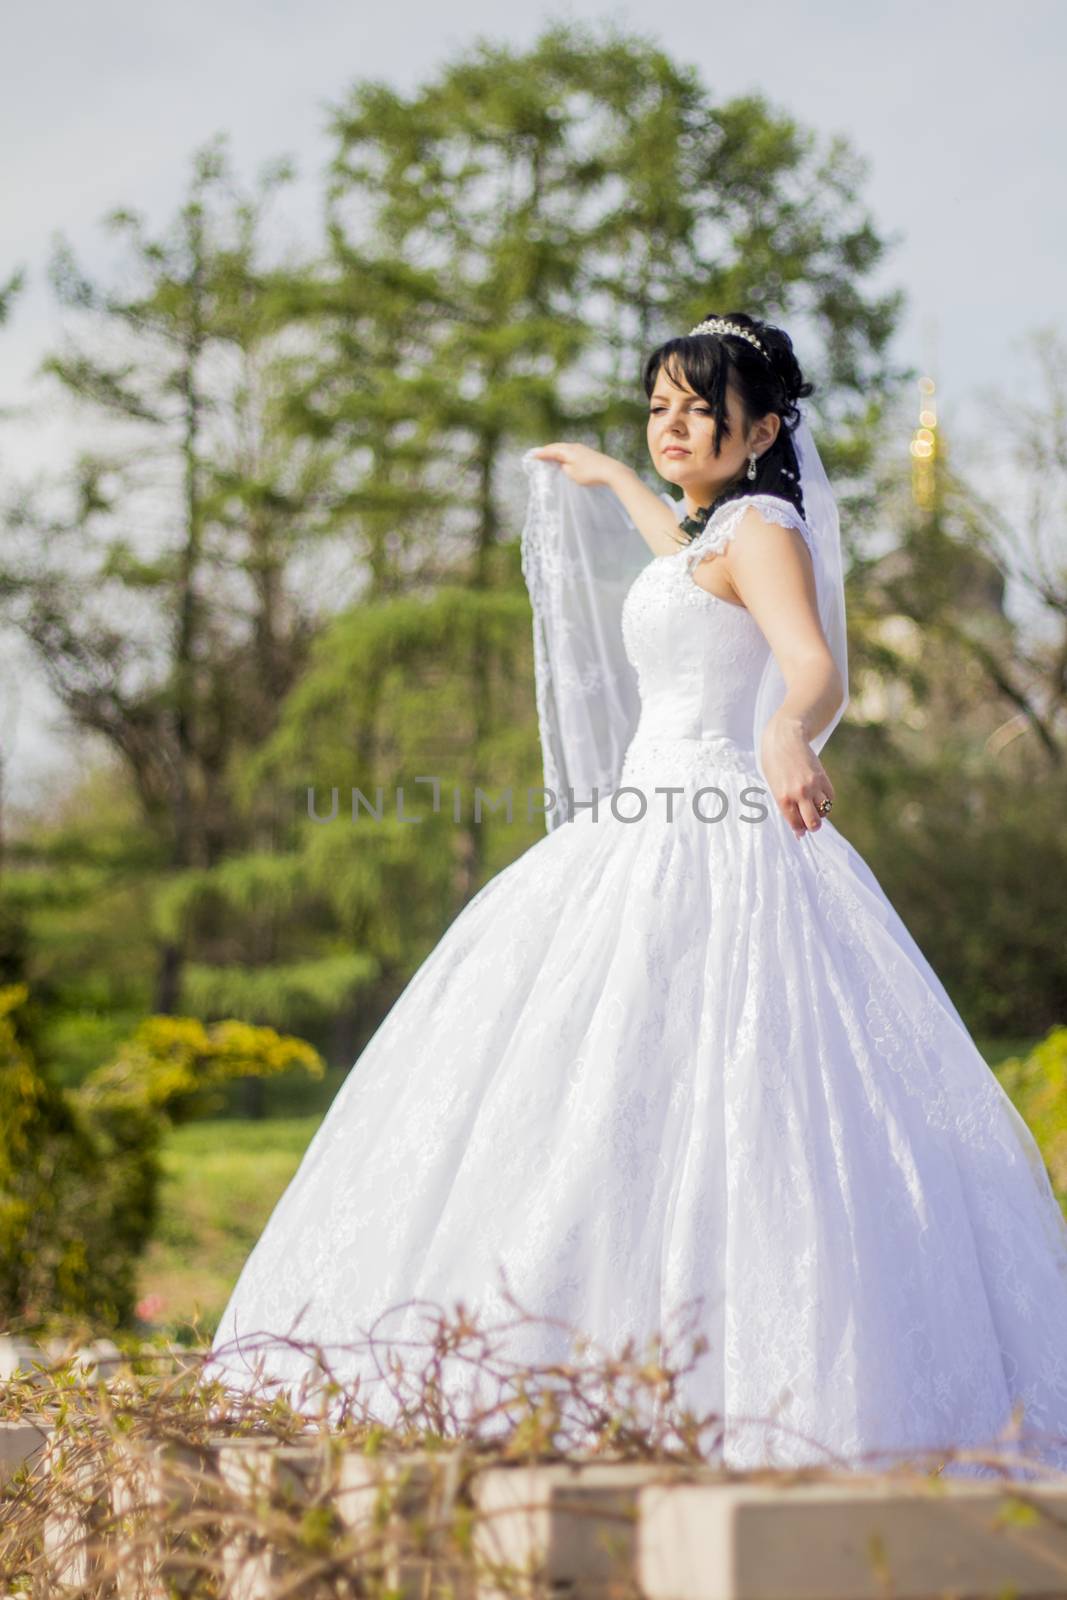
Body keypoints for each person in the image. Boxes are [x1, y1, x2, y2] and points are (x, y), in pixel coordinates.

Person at [205, 311, 1067, 1478]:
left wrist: (783, 731)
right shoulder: (714, 531)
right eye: (657, 405)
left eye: (697, 409)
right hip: (640, 826)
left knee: (703, 1083)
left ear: (760, 429)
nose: (670, 425)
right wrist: (612, 475)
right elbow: (678, 552)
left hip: (710, 831)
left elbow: (812, 665)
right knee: (600, 1073)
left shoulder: (764, 527)